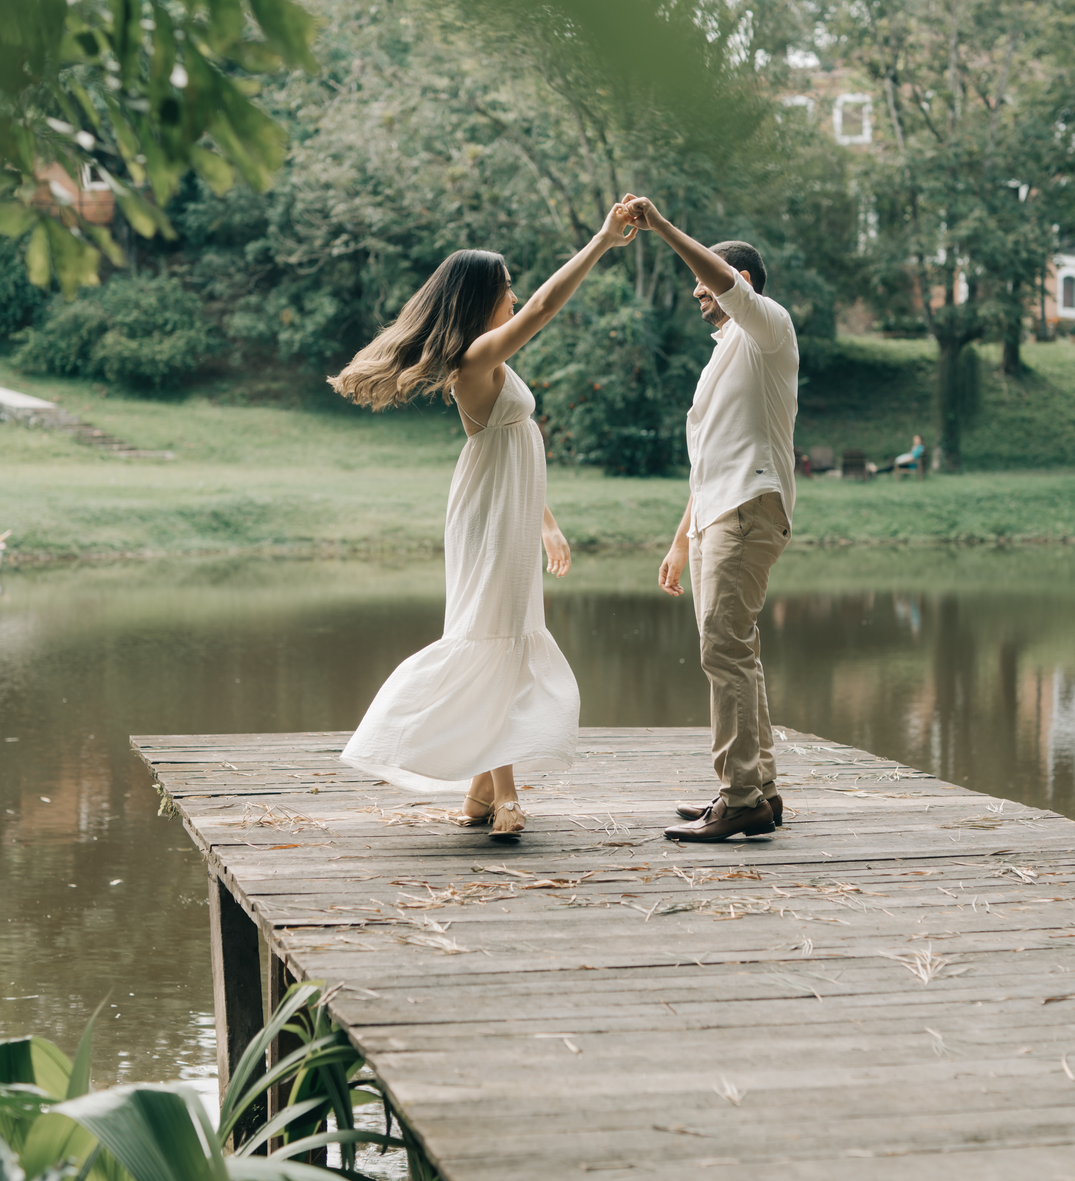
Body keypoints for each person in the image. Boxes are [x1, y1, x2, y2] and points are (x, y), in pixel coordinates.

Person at [330, 207, 637, 837]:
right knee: (493, 638)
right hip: (488, 517)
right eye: (506, 289)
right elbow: (546, 308)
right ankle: (505, 796)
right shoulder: (475, 358)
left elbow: (514, 446)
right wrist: (602, 241)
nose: (517, 298)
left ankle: (479, 793)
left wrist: (546, 521)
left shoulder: (488, 361)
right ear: (482, 299)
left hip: (510, 512)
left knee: (506, 635)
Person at [621, 197, 799, 843]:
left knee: (722, 648)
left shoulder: (767, 329)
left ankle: (740, 796)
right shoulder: (725, 354)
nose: (697, 292)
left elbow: (719, 277)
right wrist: (679, 541)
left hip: (749, 509)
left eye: (706, 280)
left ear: (740, 284)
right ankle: (761, 789)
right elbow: (710, 461)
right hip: (717, 513)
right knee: (737, 648)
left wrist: (662, 226)